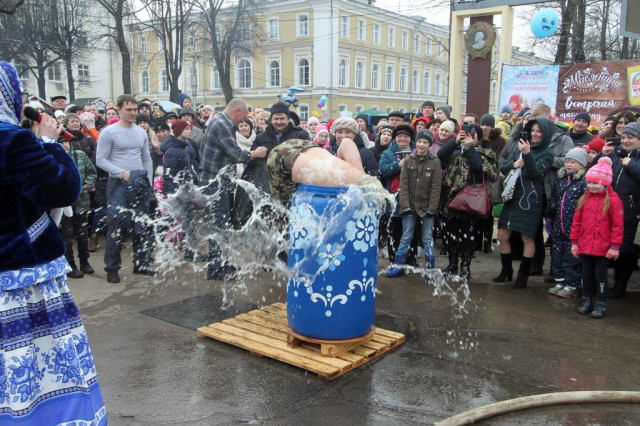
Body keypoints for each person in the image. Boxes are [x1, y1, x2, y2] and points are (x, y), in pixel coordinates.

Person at [0, 61, 106, 425]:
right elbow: (63, 188)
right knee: (35, 366)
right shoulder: (10, 138)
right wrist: (47, 141)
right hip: (21, 281)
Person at [199, 98, 268, 280]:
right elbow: (236, 155)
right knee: (219, 224)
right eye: (243, 116)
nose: (243, 121)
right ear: (237, 112)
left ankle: (221, 261)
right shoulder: (221, 124)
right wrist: (256, 153)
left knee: (224, 223)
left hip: (218, 179)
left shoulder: (220, 122)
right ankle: (215, 268)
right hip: (215, 183)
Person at [96, 94, 155, 283]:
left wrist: (149, 180)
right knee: (116, 227)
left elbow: (146, 158)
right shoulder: (109, 132)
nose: (132, 113)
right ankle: (112, 268)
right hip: (118, 183)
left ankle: (142, 263)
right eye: (128, 110)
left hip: (139, 182)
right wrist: (121, 173)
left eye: (135, 110)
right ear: (119, 110)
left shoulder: (140, 132)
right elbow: (101, 160)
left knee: (142, 224)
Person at [495, 118, 554, 288]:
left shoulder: (547, 153)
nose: (535, 134)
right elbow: (504, 168)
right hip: (513, 196)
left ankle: (523, 274)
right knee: (502, 235)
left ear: (546, 134)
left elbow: (536, 174)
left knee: (527, 237)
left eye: (539, 131)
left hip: (531, 199)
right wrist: (514, 163)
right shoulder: (519, 146)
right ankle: (506, 270)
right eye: (533, 130)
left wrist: (527, 155)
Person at [438, 124, 498, 279]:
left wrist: (470, 146)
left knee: (468, 236)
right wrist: (456, 141)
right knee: (451, 234)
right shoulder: (457, 151)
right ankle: (452, 265)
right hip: (452, 199)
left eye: (473, 134)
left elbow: (478, 166)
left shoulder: (486, 153)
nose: (469, 136)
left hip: (472, 200)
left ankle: (465, 266)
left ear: (478, 136)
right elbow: (441, 155)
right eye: (466, 133)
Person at [571, 157, 624, 318]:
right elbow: (577, 222)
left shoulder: (613, 201)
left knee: (600, 276)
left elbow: (617, 225)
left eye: (596, 183)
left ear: (605, 183)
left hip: (603, 248)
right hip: (585, 244)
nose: (592, 186)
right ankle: (586, 300)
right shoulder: (584, 198)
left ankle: (601, 303)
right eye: (590, 183)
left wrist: (615, 246)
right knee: (586, 275)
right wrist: (574, 242)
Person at [387, 129, 442, 277]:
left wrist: (432, 208)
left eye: (425, 142)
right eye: (419, 141)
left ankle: (430, 268)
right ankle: (399, 265)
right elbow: (403, 186)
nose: (422, 144)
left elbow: (436, 187)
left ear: (429, 144)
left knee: (427, 238)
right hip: (410, 206)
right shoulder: (409, 160)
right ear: (416, 143)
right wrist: (404, 206)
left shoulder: (435, 162)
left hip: (426, 206)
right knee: (406, 236)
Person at [601, 122, 640, 298]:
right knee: (613, 245)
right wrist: (603, 156)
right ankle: (611, 283)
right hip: (611, 207)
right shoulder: (617, 153)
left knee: (626, 249)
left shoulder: (633, 158)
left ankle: (620, 286)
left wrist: (629, 163)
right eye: (623, 137)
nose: (625, 140)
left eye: (630, 137)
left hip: (631, 209)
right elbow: (598, 171)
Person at [546, 147, 588, 298]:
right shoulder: (560, 180)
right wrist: (548, 217)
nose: (569, 165)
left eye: (573, 162)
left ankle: (572, 285)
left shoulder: (584, 183)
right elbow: (553, 199)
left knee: (571, 259)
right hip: (558, 226)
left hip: (574, 228)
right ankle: (560, 281)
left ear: (582, 165)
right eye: (567, 161)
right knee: (557, 255)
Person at [59, 137, 97, 278]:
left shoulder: (80, 155)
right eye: (60, 142)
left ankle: (84, 262)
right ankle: (70, 265)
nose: (64, 145)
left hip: (82, 202)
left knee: (82, 234)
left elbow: (92, 172)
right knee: (67, 236)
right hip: (64, 205)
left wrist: (86, 186)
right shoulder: (53, 158)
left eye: (66, 142)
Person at [379, 124, 418, 262]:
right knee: (394, 229)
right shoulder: (387, 153)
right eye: (399, 136)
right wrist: (398, 165)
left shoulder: (418, 152)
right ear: (395, 138)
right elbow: (382, 171)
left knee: (412, 230)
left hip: (413, 196)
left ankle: (411, 259)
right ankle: (393, 259)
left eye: (405, 136)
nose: (402, 139)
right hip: (394, 196)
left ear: (410, 138)